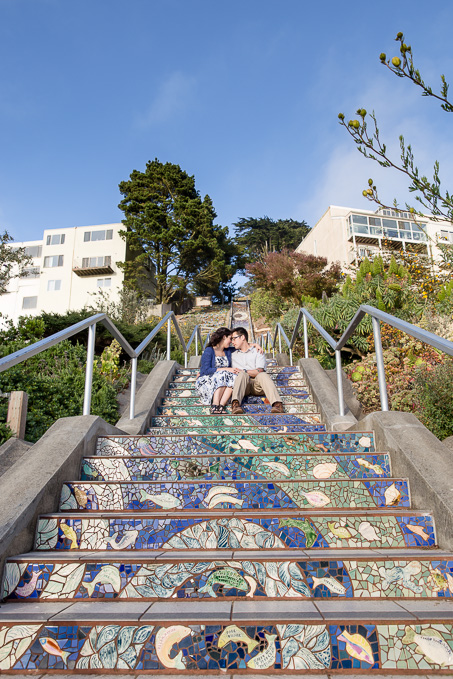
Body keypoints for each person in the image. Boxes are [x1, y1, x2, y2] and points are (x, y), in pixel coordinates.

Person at [230, 326, 284, 415]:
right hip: (243, 386)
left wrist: (244, 371)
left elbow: (259, 371)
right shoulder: (232, 354)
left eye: (234, 338)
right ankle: (235, 405)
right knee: (243, 375)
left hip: (258, 385)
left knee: (262, 374)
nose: (232, 342)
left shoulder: (257, 351)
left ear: (242, 337)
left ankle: (277, 404)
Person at [195, 327, 240, 414]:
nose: (231, 341)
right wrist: (225, 369)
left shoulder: (228, 351)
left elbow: (242, 346)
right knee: (223, 374)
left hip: (223, 381)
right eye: (230, 338)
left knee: (234, 377)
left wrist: (255, 345)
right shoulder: (209, 351)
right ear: (224, 337)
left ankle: (221, 406)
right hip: (206, 381)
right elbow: (205, 371)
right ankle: (215, 404)